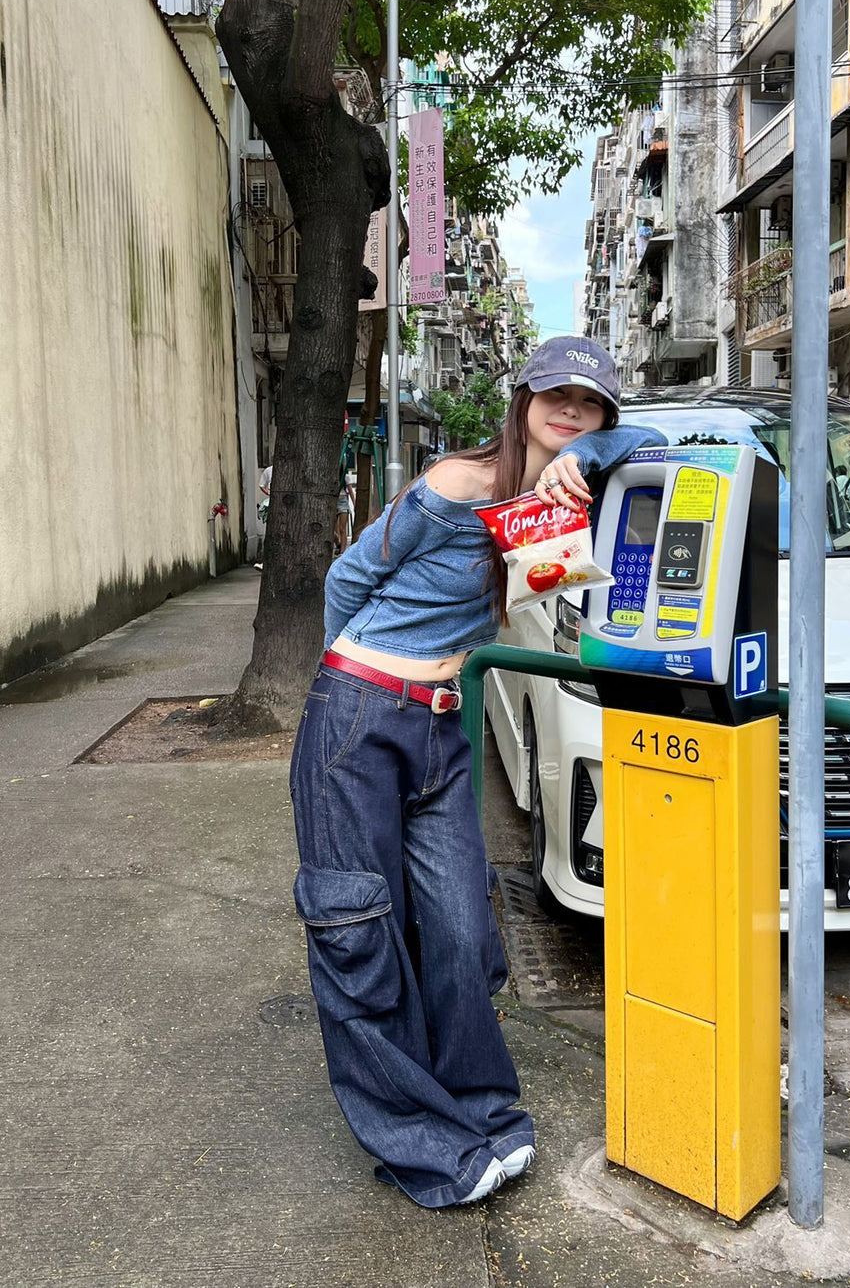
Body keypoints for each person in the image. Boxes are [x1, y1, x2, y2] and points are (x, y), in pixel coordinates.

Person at [289, 336, 667, 1209]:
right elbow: (348, 579)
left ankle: (481, 1110)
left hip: (440, 729)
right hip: (360, 719)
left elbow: (657, 443)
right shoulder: (461, 481)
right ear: (523, 400)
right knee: (360, 936)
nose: (572, 411)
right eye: (557, 396)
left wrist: (585, 458)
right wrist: (349, 690)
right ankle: (427, 1148)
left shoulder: (568, 493)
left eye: (591, 403)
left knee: (461, 926)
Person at [254, 464, 272, 571]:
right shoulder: (269, 470)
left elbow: (262, 485)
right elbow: (262, 485)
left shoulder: (269, 470)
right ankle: (266, 562)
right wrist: (269, 493)